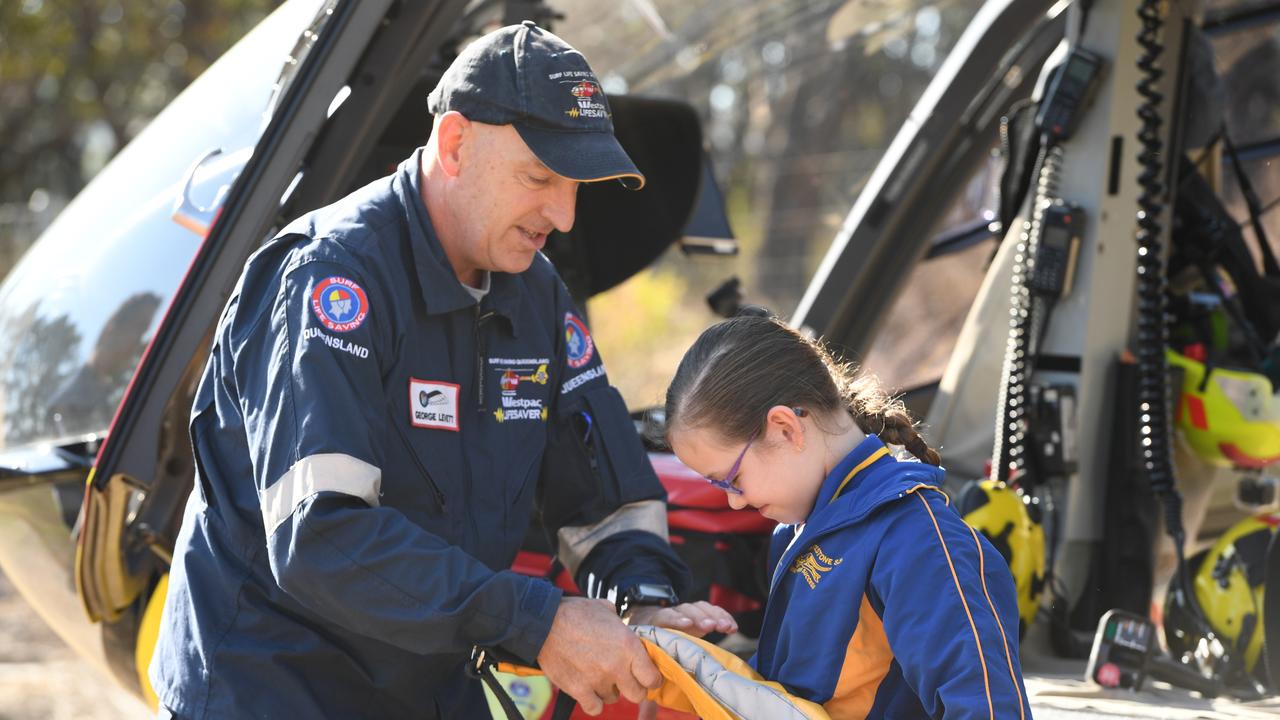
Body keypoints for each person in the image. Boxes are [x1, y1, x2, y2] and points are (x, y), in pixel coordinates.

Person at [150, 21, 735, 719]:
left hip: (424, 687)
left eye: (577, 185)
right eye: (539, 177)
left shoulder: (538, 292)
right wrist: (538, 620)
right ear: (456, 144)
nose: (564, 215)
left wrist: (644, 603)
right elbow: (322, 538)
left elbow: (605, 495)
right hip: (273, 690)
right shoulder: (330, 281)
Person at [663, 315, 1030, 719]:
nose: (734, 503)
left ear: (785, 428)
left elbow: (987, 707)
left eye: (731, 480)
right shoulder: (796, 534)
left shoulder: (915, 539)